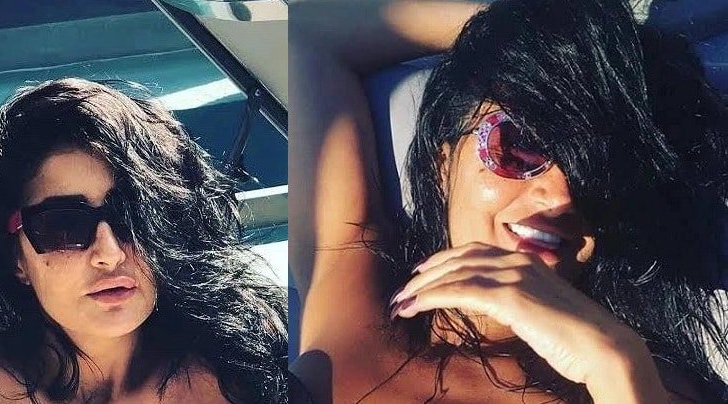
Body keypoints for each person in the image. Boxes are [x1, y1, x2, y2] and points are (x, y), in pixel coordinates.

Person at [290, 0, 728, 402]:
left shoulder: (636, 377)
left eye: (595, 169)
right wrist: (528, 36)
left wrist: (614, 366)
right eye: (519, 144)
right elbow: (309, 33)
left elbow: (311, 34)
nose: (560, 196)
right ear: (443, 165)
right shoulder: (355, 303)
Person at [0, 78, 288, 403]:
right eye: (64, 225)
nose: (110, 254)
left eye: (135, 215)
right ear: (15, 256)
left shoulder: (239, 380)